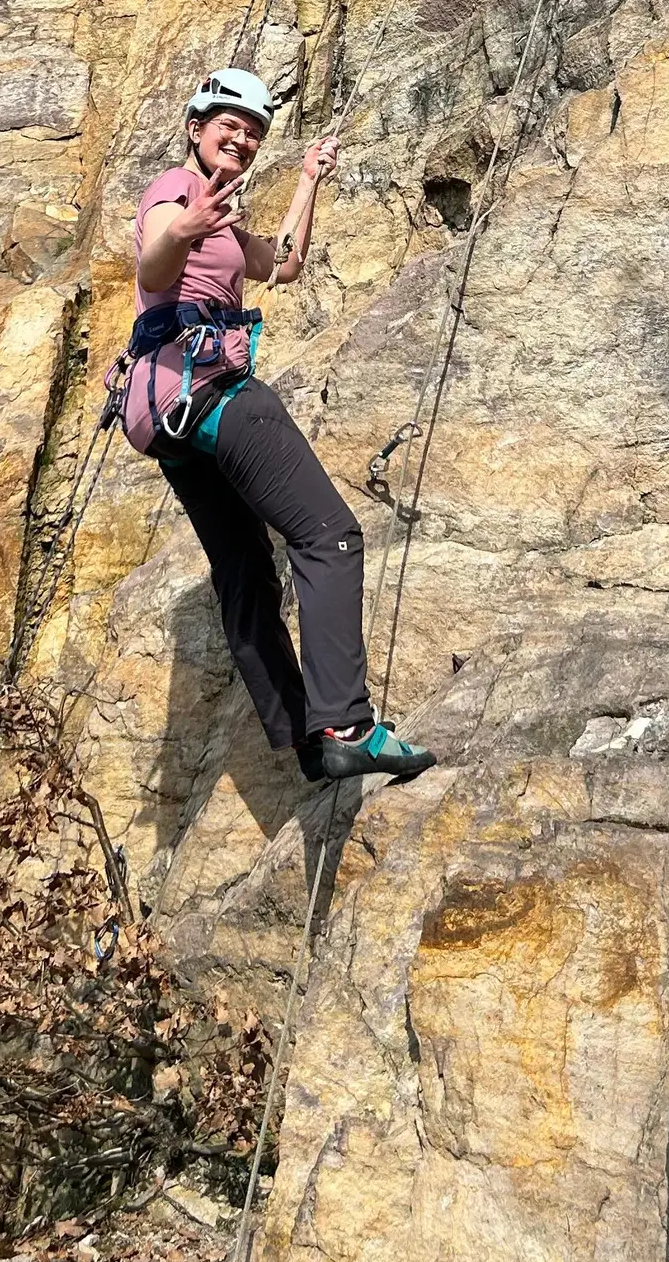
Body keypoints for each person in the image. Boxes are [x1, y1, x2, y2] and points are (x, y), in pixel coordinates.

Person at [124, 67, 436, 785]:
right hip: (207, 391)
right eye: (227, 124)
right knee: (329, 535)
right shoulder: (174, 190)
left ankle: (304, 738)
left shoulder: (224, 219)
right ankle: (349, 726)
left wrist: (307, 180)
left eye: (253, 131)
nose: (241, 136)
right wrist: (190, 226)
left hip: (161, 420)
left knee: (244, 572)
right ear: (197, 130)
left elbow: (284, 266)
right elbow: (155, 250)